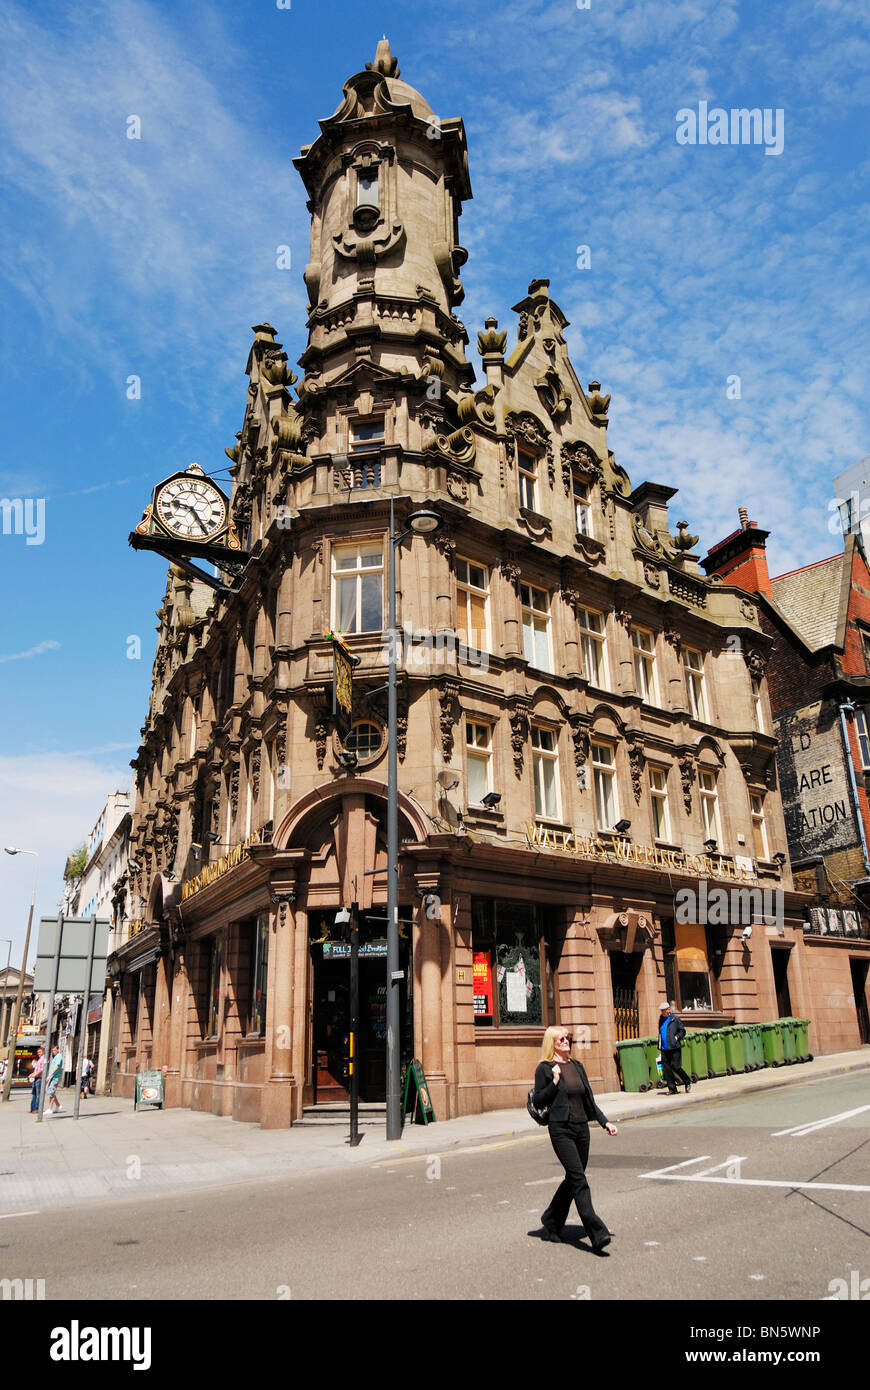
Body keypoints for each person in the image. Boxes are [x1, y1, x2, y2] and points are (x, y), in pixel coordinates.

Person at [533, 1024, 618, 1253]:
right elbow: (539, 1101)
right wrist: (554, 1082)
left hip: (582, 1130)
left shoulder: (577, 1066)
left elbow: (588, 1099)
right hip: (561, 1130)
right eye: (561, 1039)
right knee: (579, 1179)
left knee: (573, 1178)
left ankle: (551, 1220)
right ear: (552, 1043)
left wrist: (604, 1122)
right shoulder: (545, 1068)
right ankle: (597, 1232)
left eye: (567, 1038)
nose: (566, 1041)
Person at [658, 1002, 691, 1095]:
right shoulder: (661, 1019)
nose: (662, 1012)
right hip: (664, 1048)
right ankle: (672, 1089)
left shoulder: (674, 1019)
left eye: (663, 1010)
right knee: (667, 1069)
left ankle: (687, 1081)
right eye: (661, 1011)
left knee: (675, 1066)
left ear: (668, 1010)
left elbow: (682, 1031)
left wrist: (676, 1037)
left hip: (674, 1047)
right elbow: (661, 1032)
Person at [45, 1045, 63, 1114]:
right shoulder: (55, 1057)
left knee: (51, 1092)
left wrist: (50, 1075)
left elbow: (57, 1067)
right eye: (52, 1051)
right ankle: (58, 1105)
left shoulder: (58, 1056)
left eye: (54, 1050)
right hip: (53, 1077)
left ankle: (50, 1108)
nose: (53, 1052)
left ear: (58, 1050)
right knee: (50, 1091)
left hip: (54, 1077)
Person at [29, 1047, 45, 1113]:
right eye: (38, 1052)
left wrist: (35, 1074)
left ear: (43, 1052)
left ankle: (37, 1109)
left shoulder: (44, 1059)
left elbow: (42, 1069)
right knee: (34, 1093)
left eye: (40, 1052)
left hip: (39, 1078)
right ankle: (32, 1108)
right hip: (36, 1077)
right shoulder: (39, 1059)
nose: (38, 1053)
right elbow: (37, 1069)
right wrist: (32, 1074)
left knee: (38, 1094)